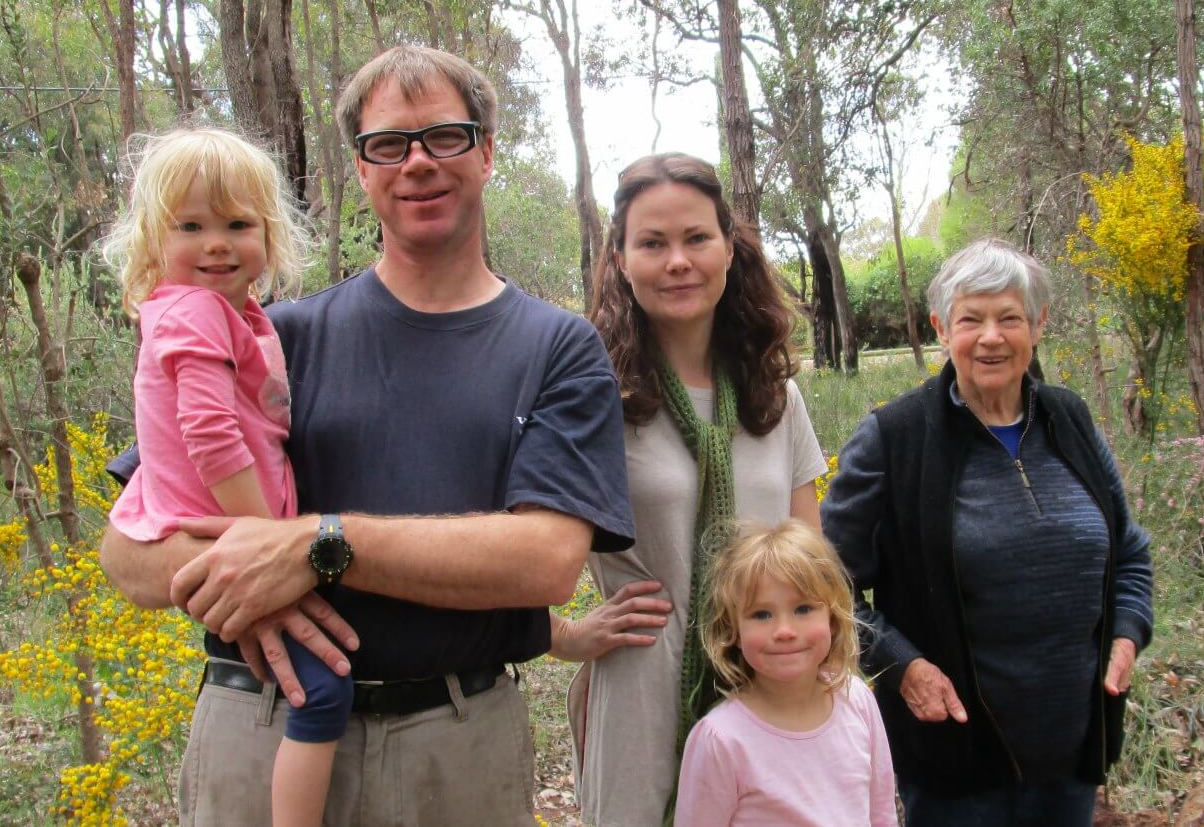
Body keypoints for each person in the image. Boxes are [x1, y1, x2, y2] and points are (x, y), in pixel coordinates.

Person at [98, 45, 635, 827]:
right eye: (388, 144)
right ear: (361, 169)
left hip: (456, 745)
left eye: (444, 136)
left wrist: (319, 544)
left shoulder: (556, 348)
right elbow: (128, 555)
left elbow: (549, 560)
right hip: (262, 728)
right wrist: (257, 586)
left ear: (487, 152)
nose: (416, 163)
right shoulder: (270, 339)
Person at [821, 238, 1155, 826]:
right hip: (955, 759)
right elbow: (825, 588)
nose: (992, 337)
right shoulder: (893, 439)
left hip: (1072, 746)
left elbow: (1127, 550)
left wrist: (1127, 633)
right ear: (941, 329)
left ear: (1039, 325)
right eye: (971, 319)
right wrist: (903, 667)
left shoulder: (1069, 419)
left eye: (1010, 318)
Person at [553, 153, 827, 825]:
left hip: (769, 689)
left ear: (729, 249)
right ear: (620, 257)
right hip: (641, 698)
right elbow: (513, 544)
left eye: (696, 238)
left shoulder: (776, 396)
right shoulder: (593, 401)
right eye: (652, 242)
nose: (677, 260)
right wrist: (562, 635)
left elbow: (811, 564)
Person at [99, 125, 343, 827]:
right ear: (153, 239)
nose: (217, 243)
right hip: (229, 530)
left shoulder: (237, 317)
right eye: (191, 226)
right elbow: (210, 436)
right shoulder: (197, 314)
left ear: (268, 237)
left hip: (225, 527)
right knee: (321, 691)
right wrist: (267, 539)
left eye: (238, 224)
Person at [672, 520, 898, 826]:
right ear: (733, 631)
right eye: (761, 614)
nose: (784, 631)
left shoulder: (856, 700)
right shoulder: (721, 739)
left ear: (832, 619)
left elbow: (881, 813)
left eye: (803, 609)